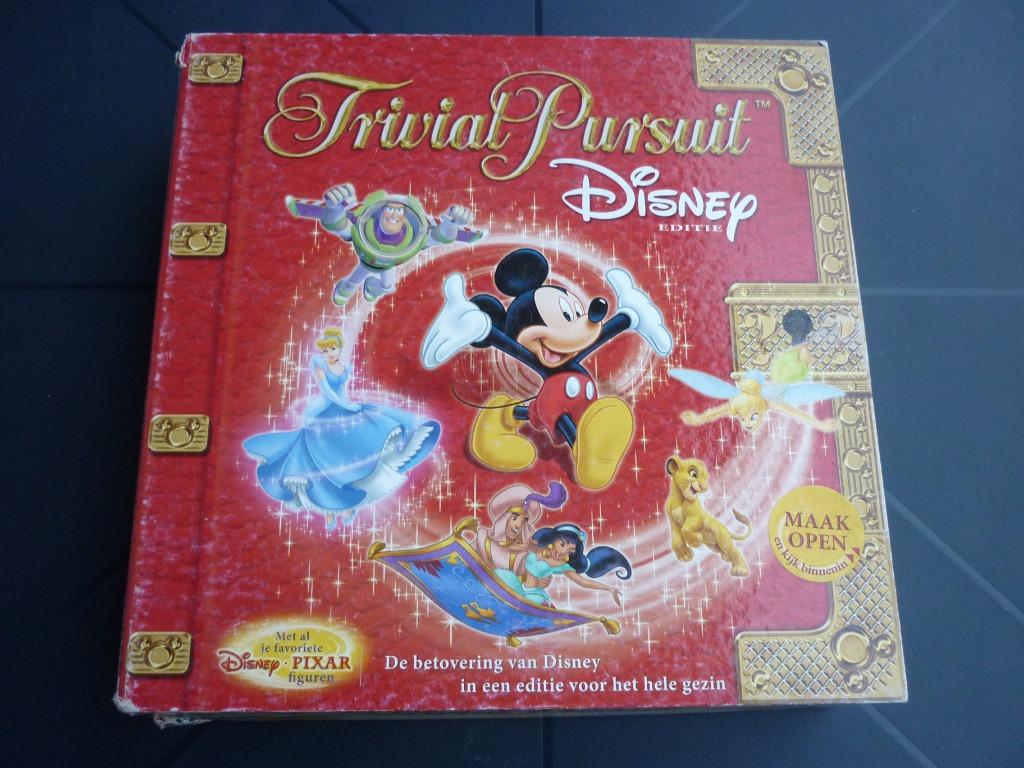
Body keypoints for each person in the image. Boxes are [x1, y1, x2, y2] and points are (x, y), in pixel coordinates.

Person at [243, 328, 440, 529]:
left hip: (342, 409)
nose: (329, 354)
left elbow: (341, 391)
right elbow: (328, 393)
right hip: (323, 411)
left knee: (355, 448)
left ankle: (350, 503)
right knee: (324, 458)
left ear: (339, 349)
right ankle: (331, 508)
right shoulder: (320, 366)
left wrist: (349, 406)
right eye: (325, 351)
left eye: (332, 350)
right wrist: (346, 405)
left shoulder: (346, 369)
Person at [493, 523, 631, 607]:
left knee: (527, 604)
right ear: (554, 539)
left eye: (570, 551)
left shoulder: (561, 565)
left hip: (533, 594)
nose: (563, 552)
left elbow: (583, 582)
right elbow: (518, 548)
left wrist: (610, 589)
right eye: (562, 544)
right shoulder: (538, 548)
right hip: (519, 586)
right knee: (501, 575)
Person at [474, 482, 568, 572]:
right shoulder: (483, 539)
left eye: (523, 522)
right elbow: (467, 558)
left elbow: (523, 578)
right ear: (504, 519)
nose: (518, 525)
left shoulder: (523, 554)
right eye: (515, 518)